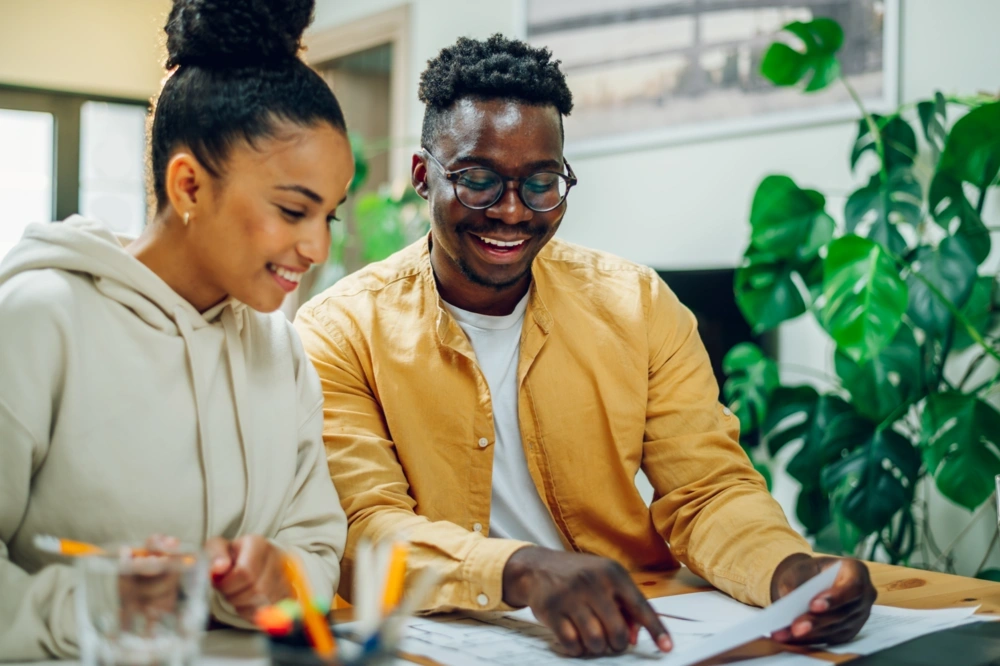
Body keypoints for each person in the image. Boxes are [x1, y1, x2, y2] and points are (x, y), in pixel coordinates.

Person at [295, 34, 876, 659]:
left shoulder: (638, 304)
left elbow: (706, 489)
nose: (512, 212)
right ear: (421, 176)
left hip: (638, 632)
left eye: (541, 183)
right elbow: (365, 529)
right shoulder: (340, 329)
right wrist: (521, 570)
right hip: (441, 642)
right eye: (479, 181)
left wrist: (786, 571)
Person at [0, 0, 354, 659]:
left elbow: (315, 549)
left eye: (328, 215)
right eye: (293, 210)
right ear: (188, 185)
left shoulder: (281, 350)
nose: (317, 248)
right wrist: (94, 604)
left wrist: (282, 577)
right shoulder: (36, 321)